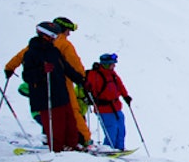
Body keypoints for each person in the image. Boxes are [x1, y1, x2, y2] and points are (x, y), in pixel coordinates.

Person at [21, 21, 87, 152]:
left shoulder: (54, 51)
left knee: (70, 124)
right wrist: (42, 70)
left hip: (61, 93)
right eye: (54, 36)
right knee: (56, 126)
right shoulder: (32, 53)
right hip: (46, 96)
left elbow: (66, 68)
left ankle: (72, 147)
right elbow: (27, 76)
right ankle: (57, 150)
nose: (56, 38)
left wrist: (81, 80)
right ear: (46, 35)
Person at [50, 17, 94, 148]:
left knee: (52, 111)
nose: (69, 34)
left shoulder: (45, 42)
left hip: (46, 82)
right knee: (73, 110)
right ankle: (85, 139)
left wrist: (10, 67)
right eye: (68, 31)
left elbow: (23, 54)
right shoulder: (65, 44)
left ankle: (52, 137)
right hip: (64, 82)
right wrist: (83, 78)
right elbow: (75, 62)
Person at [85, 53, 132, 151]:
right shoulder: (95, 75)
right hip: (104, 109)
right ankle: (108, 148)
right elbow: (91, 89)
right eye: (112, 64)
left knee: (121, 129)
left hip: (116, 106)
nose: (114, 66)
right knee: (111, 130)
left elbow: (120, 85)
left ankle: (119, 148)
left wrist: (125, 96)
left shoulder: (112, 74)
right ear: (106, 64)